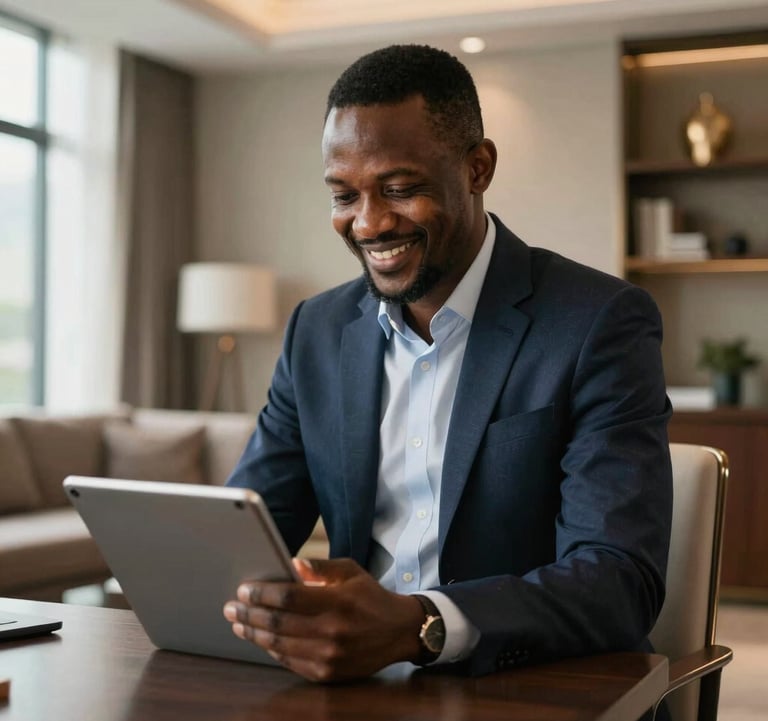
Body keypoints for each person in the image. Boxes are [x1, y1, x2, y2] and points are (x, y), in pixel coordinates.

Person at [223, 44, 672, 685]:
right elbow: (247, 533)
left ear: (477, 168)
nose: (370, 222)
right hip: (354, 690)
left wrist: (419, 625)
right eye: (344, 195)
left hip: (528, 687)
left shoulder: (600, 322)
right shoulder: (315, 332)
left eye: (400, 189)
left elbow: (619, 580)